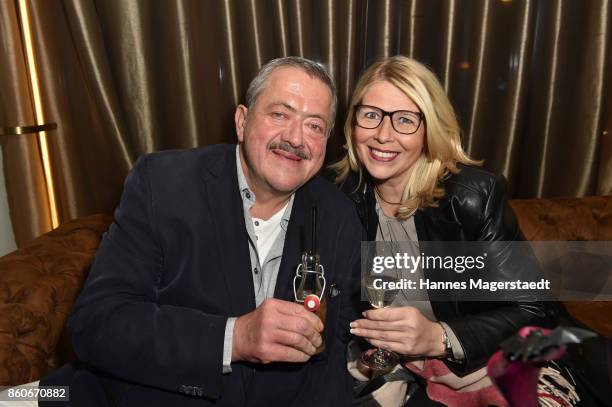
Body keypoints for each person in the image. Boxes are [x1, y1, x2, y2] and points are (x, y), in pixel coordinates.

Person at [39, 57, 361, 406]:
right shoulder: (162, 184)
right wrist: (234, 338)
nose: (296, 138)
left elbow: (333, 355)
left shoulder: (337, 215)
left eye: (314, 126)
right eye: (280, 114)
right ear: (242, 121)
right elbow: (97, 324)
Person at [332, 56, 565, 406]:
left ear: (430, 131)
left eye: (405, 120)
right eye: (371, 115)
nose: (383, 134)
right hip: (389, 363)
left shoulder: (473, 197)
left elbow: (533, 309)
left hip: (480, 361)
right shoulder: (341, 196)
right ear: (353, 123)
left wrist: (438, 337)